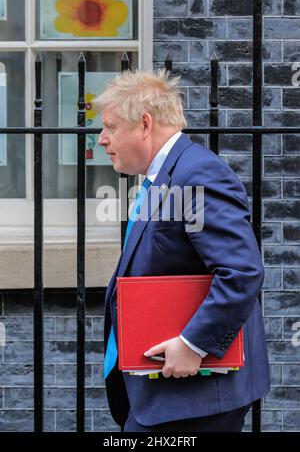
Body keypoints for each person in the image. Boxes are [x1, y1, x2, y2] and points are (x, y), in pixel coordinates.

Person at [94, 69, 270, 432]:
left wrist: (194, 343)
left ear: (144, 124)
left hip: (194, 399)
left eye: (110, 127)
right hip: (170, 397)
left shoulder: (197, 173)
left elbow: (241, 271)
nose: (101, 139)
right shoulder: (166, 176)